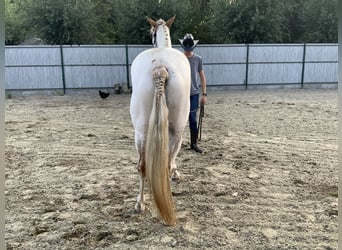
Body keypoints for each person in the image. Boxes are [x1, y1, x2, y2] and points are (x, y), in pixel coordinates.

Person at [179, 33, 207, 153]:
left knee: (193, 120)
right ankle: (176, 142)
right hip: (180, 94)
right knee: (178, 119)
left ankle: (193, 143)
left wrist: (204, 94)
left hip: (194, 94)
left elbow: (202, 77)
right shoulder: (179, 58)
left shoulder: (198, 59)